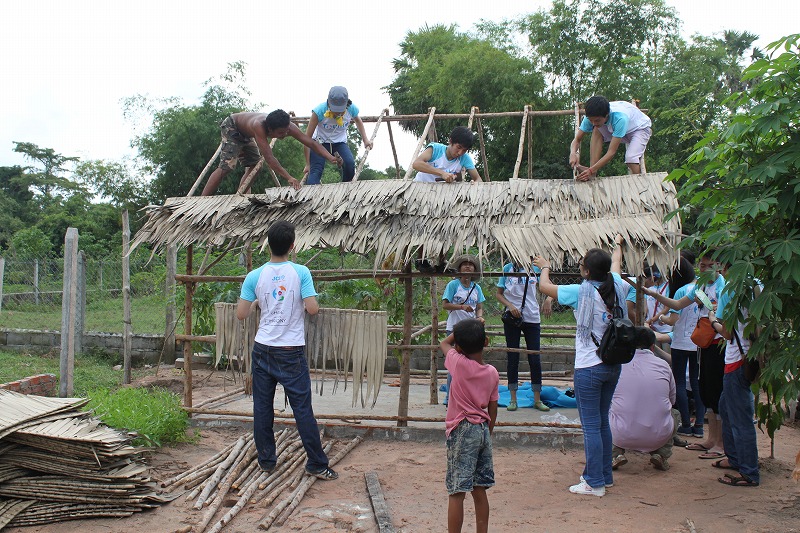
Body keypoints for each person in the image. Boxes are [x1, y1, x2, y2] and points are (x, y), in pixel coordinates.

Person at [236, 220, 337, 480]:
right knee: (302, 409)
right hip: (290, 351)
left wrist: (257, 302)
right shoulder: (300, 272)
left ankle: (267, 461)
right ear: (292, 246)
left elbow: (241, 314)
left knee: (262, 407)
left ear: (268, 245)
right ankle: (316, 463)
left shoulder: (254, 276)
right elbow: (312, 309)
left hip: (262, 349)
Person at [534, 234, 629, 496]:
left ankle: (593, 482)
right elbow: (617, 265)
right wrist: (617, 245)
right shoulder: (618, 285)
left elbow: (545, 287)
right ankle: (605, 477)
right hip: (612, 365)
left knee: (590, 426)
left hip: (589, 366)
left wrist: (545, 267)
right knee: (602, 422)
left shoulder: (580, 292)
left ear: (586, 271)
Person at [645, 251, 727, 459]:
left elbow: (721, 314)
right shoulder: (701, 286)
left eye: (709, 265)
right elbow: (678, 305)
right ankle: (710, 438)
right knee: (705, 389)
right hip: (702, 342)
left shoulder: (723, 287)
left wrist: (713, 316)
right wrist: (654, 295)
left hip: (717, 342)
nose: (704, 269)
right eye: (702, 265)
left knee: (714, 391)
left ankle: (720, 443)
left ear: (719, 266)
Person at [441, 319, 499, 533]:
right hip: (482, 429)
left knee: (457, 492)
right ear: (486, 341)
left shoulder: (458, 364)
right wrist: (487, 433)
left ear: (458, 347)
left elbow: (443, 343)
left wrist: (462, 330)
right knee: (479, 488)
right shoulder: (492, 372)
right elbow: (493, 408)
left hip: (462, 429)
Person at [202, 110, 339, 195]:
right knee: (227, 167)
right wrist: (289, 177)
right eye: (280, 133)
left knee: (255, 165)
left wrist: (330, 157)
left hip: (247, 133)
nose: (285, 135)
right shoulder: (259, 126)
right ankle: (202, 199)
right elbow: (269, 158)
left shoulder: (288, 127)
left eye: (286, 131)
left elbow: (311, 143)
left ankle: (241, 194)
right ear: (270, 129)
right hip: (233, 127)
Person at [707, 284, 760, 486]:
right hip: (748, 357)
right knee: (726, 408)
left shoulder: (731, 289)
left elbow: (728, 333)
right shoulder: (756, 285)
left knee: (740, 419)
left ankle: (749, 472)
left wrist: (713, 321)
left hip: (737, 359)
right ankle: (736, 458)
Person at [609, 327, 680, 472]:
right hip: (658, 435)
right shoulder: (664, 365)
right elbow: (672, 400)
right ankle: (662, 454)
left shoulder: (618, 365)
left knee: (607, 411)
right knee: (676, 414)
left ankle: (614, 454)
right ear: (653, 347)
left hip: (621, 434)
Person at [651, 257, 705, 440]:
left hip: (681, 341)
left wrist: (661, 319)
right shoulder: (701, 287)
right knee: (697, 383)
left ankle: (686, 424)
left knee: (679, 382)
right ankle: (699, 425)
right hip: (698, 342)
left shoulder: (681, 290)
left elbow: (673, 320)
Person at [496, 261, 553, 411]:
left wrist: (548, 299)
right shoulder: (507, 268)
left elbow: (551, 287)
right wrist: (510, 305)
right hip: (512, 318)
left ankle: (537, 399)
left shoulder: (535, 268)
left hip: (532, 317)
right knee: (512, 356)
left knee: (534, 358)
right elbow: (499, 293)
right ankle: (513, 399)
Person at [569, 95, 652, 181]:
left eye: (597, 120)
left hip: (639, 129)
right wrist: (572, 153)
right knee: (596, 129)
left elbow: (611, 152)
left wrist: (589, 170)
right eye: (591, 120)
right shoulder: (590, 117)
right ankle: (593, 173)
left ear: (606, 115)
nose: (593, 123)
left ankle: (639, 181)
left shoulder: (620, 118)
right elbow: (577, 139)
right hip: (618, 129)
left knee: (631, 158)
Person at [303, 86, 373, 185]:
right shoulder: (319, 111)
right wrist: (308, 164)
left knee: (349, 164)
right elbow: (307, 139)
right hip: (319, 143)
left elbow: (358, 121)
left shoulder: (351, 108)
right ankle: (313, 193)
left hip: (339, 142)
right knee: (315, 171)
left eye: (341, 110)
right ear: (329, 103)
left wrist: (365, 140)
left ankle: (345, 190)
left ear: (346, 104)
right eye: (335, 109)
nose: (338, 113)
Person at [442, 255, 486, 404]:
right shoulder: (453, 285)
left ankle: (466, 396)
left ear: (474, 269)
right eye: (465, 264)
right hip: (454, 328)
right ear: (459, 268)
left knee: (469, 362)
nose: (468, 266)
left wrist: (479, 317)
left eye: (471, 264)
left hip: (470, 330)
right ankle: (450, 397)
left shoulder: (476, 288)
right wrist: (461, 307)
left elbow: (479, 307)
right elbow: (445, 305)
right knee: (454, 364)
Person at [413, 127, 483, 183]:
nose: (460, 153)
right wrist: (442, 173)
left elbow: (478, 179)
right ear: (450, 141)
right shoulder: (436, 149)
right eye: (459, 147)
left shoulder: (465, 158)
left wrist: (474, 184)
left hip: (441, 192)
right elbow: (416, 164)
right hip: (420, 186)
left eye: (464, 150)